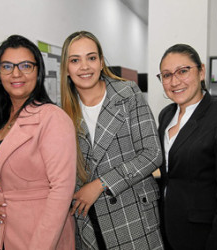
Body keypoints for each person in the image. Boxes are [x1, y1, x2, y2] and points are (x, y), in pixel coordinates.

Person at [0, 35, 76, 250]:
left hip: (39, 236)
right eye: (7, 66)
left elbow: (61, 191)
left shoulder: (52, 118)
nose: (16, 73)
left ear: (38, 72)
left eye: (26, 65)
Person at [60, 31, 164, 249]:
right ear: (66, 69)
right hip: (89, 222)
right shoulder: (63, 112)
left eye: (91, 58)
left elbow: (152, 153)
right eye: (75, 60)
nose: (85, 67)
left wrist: (101, 184)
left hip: (132, 215)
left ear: (101, 62)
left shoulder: (127, 93)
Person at [157, 43, 217, 250]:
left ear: (201, 72)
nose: (175, 81)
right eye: (166, 75)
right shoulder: (166, 115)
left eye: (183, 71)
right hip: (169, 229)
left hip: (206, 236)